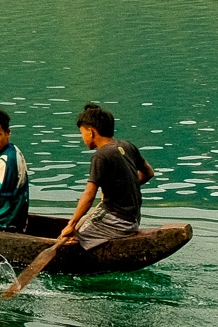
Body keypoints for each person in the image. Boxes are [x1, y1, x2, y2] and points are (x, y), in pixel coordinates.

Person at [56, 102, 152, 250]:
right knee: (81, 226)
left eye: (82, 133)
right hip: (133, 219)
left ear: (91, 132)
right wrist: (124, 190)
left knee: (67, 239)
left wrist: (71, 225)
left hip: (117, 221)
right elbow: (148, 173)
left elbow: (89, 195)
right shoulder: (127, 146)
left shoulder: (101, 156)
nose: (83, 138)